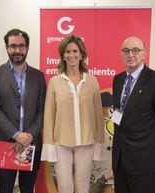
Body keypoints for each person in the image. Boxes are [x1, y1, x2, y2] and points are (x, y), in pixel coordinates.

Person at [41, 34, 105, 193]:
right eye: (67, 52)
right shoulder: (55, 82)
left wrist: (99, 143)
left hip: (86, 142)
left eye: (75, 51)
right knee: (64, 186)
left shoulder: (92, 81)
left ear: (82, 54)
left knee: (83, 186)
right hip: (61, 143)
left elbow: (98, 115)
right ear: (62, 55)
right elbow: (49, 116)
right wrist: (49, 145)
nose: (71, 55)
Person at [111, 36, 155, 193]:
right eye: (126, 51)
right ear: (121, 54)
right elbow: (119, 114)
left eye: (136, 50)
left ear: (144, 54)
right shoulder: (118, 80)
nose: (131, 54)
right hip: (120, 159)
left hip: (146, 159)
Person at [0, 28, 46, 193]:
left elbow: (42, 109)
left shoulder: (38, 76)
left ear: (27, 48)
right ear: (6, 48)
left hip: (31, 143)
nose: (17, 50)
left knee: (27, 188)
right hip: (5, 142)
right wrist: (16, 134)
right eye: (13, 46)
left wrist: (28, 136)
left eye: (21, 46)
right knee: (5, 188)